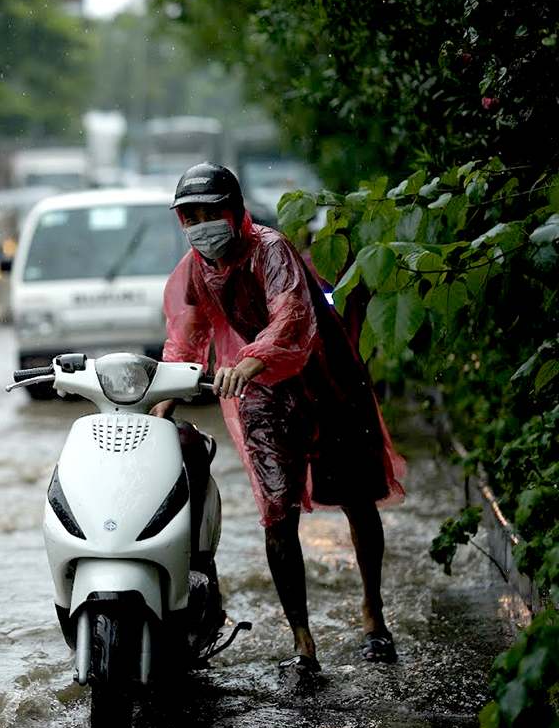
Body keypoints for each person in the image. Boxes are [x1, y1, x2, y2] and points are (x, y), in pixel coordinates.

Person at [150, 161, 406, 672]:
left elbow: (291, 316)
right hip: (264, 394)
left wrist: (250, 358)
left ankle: (374, 617)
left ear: (235, 211)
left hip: (328, 383)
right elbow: (186, 337)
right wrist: (164, 398)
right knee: (276, 512)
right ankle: (303, 643)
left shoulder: (271, 250)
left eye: (210, 212)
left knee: (357, 498)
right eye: (191, 215)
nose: (202, 224)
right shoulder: (195, 272)